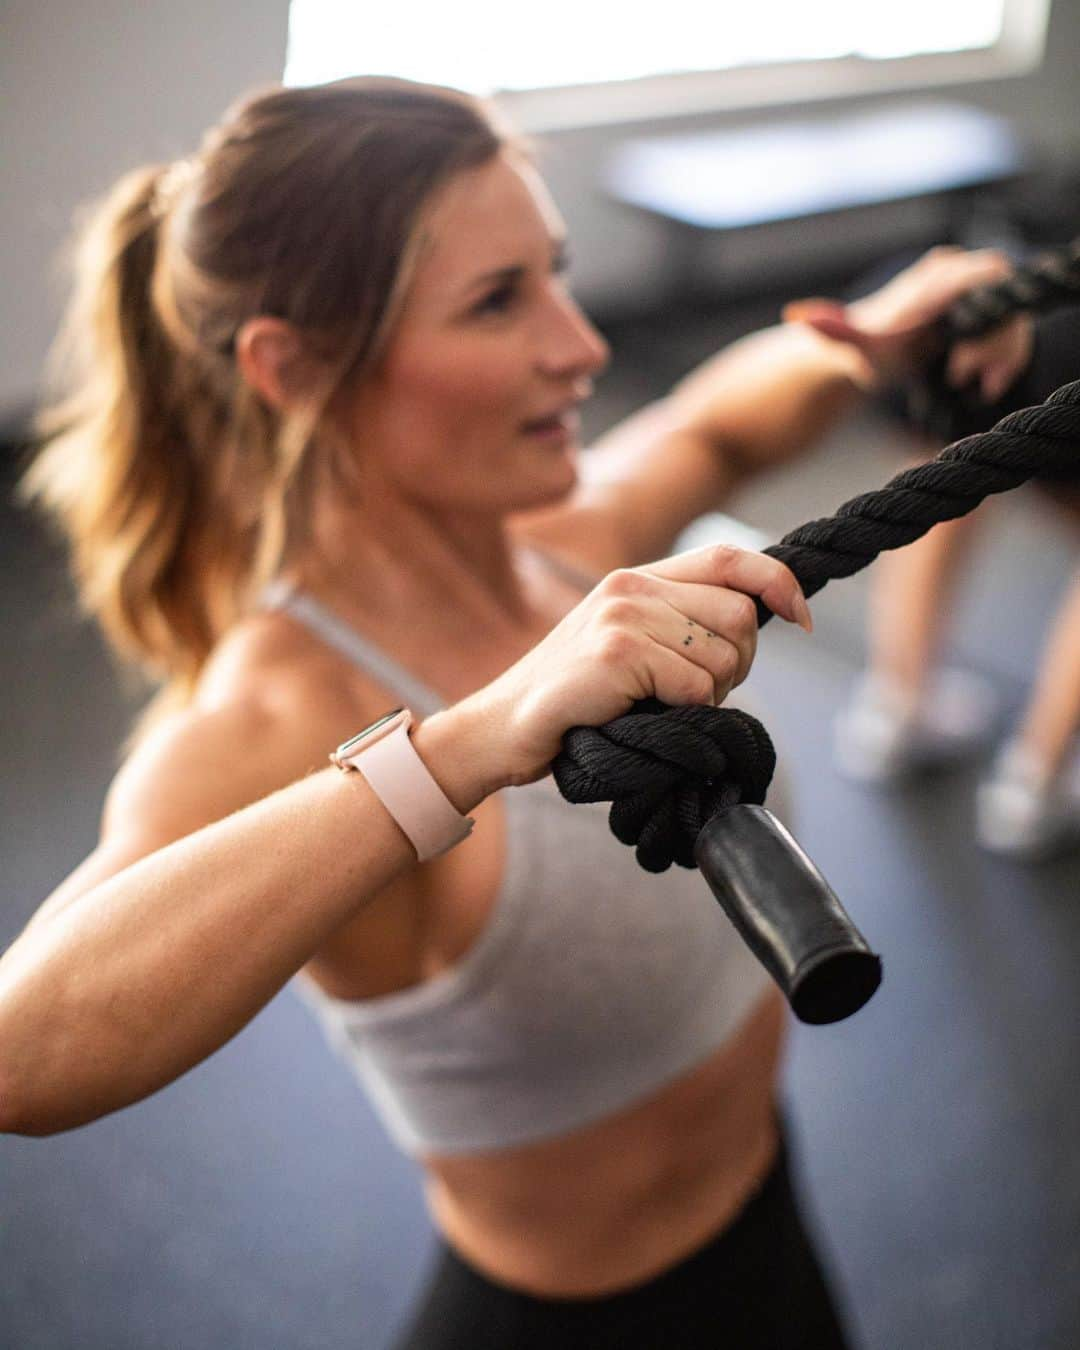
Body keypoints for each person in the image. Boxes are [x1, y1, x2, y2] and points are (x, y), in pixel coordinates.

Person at [0, 77, 1018, 1349]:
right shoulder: (270, 715)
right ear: (297, 366)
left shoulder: (560, 546)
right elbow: (22, 1053)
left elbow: (709, 428)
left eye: (555, 272)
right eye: (498, 300)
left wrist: (868, 334)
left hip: (772, 1238)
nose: (579, 345)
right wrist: (471, 738)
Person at [791, 288, 1080, 858]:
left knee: (950, 455)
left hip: (992, 283)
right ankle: (1035, 786)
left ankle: (898, 708)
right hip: (1053, 322)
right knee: (954, 456)